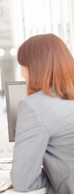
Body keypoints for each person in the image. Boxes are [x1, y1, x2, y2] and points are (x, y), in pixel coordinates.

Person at [11, 34, 74, 194]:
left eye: (23, 66)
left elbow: (23, 181)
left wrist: (56, 177)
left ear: (35, 67)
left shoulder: (33, 106)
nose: (22, 73)